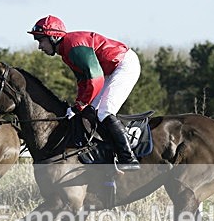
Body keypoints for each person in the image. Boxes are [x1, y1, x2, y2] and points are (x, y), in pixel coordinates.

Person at [28, 15, 141, 171]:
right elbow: (83, 82)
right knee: (90, 112)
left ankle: (128, 158)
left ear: (54, 37)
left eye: (41, 40)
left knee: (105, 111)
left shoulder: (73, 46)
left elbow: (95, 80)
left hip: (123, 65)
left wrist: (79, 106)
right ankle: (106, 156)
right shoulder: (66, 52)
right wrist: (79, 105)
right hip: (108, 71)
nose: (40, 46)